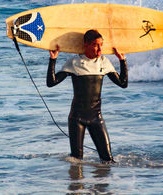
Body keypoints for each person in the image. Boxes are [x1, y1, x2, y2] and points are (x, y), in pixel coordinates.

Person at [46, 29, 128, 163]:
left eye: (101, 45)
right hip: (77, 119)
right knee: (76, 161)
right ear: (86, 45)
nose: (100, 49)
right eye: (96, 45)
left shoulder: (104, 62)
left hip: (96, 117)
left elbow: (123, 83)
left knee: (108, 160)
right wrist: (53, 60)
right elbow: (51, 82)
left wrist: (122, 61)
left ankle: (103, 183)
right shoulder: (74, 62)